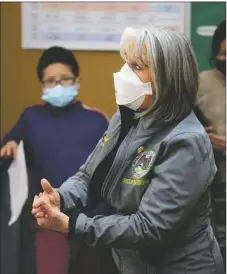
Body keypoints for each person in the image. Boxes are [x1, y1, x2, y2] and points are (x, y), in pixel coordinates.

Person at [32, 27, 224, 274]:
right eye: (126, 63)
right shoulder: (126, 118)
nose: (124, 73)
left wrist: (73, 225)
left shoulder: (186, 141)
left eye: (136, 67)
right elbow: (89, 176)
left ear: (167, 77)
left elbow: (150, 228)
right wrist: (60, 197)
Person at [0, 46, 109, 274]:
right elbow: (11, 139)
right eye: (50, 81)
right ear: (42, 85)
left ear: (77, 81)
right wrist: (9, 143)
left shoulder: (97, 119)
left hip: (90, 219)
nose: (58, 85)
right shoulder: (31, 117)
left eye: (65, 79)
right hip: (47, 218)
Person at [195, 20, 226, 267]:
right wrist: (202, 137)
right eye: (224, 53)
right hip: (211, 182)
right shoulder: (200, 83)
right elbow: (175, 126)